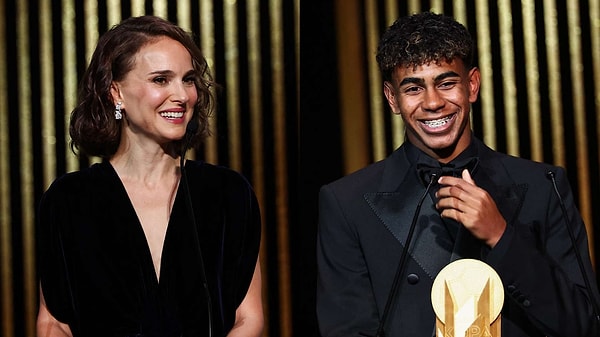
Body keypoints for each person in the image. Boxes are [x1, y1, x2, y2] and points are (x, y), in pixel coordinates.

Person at [316, 11, 600, 337]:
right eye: (413, 88)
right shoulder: (347, 202)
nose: (433, 102)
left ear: (473, 85)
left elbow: (585, 326)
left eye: (446, 83)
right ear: (392, 98)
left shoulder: (543, 186)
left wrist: (501, 236)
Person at [36, 15, 263, 337]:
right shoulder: (69, 199)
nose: (182, 95)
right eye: (161, 80)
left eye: (188, 79)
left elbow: (248, 318)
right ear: (116, 93)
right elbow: (54, 322)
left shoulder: (226, 192)